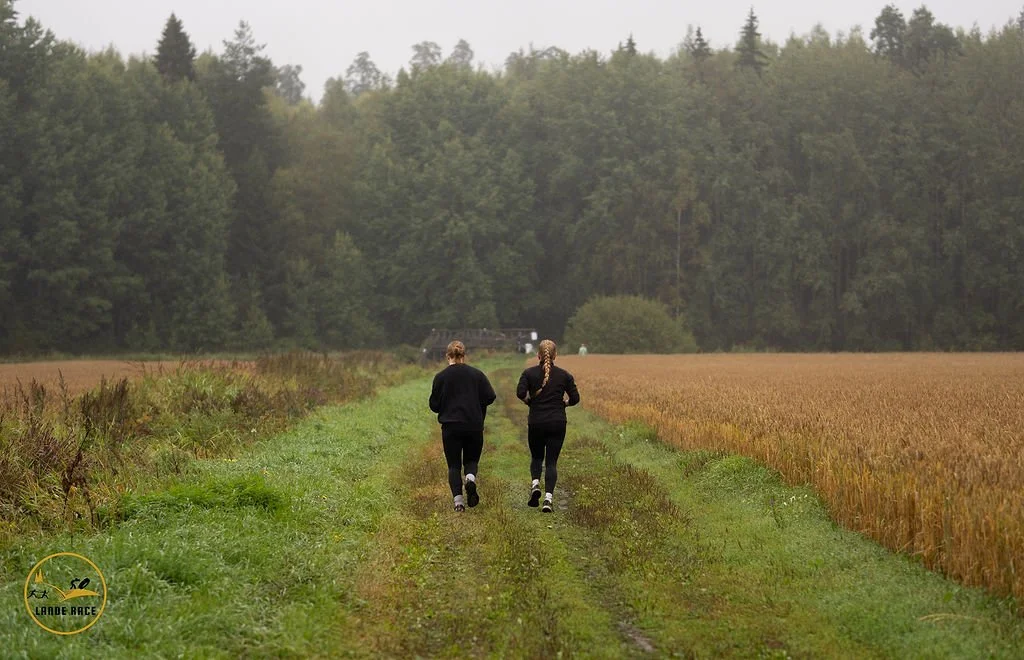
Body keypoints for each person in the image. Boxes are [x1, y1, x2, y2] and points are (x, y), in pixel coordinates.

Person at [429, 340, 497, 512]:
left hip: (451, 427)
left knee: (453, 465)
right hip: (474, 425)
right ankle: (470, 478)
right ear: (464, 356)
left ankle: (458, 503)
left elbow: (434, 406)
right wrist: (476, 404)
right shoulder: (477, 375)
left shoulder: (441, 377)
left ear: (447, 356)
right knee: (471, 460)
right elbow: (490, 396)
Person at [516, 339, 580, 513]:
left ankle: (535, 483)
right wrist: (564, 404)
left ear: (538, 355)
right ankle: (548, 500)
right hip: (557, 422)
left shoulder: (528, 373)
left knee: (537, 458)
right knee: (551, 462)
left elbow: (520, 393)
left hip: (536, 421)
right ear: (555, 356)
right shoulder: (564, 375)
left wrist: (530, 402)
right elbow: (575, 398)